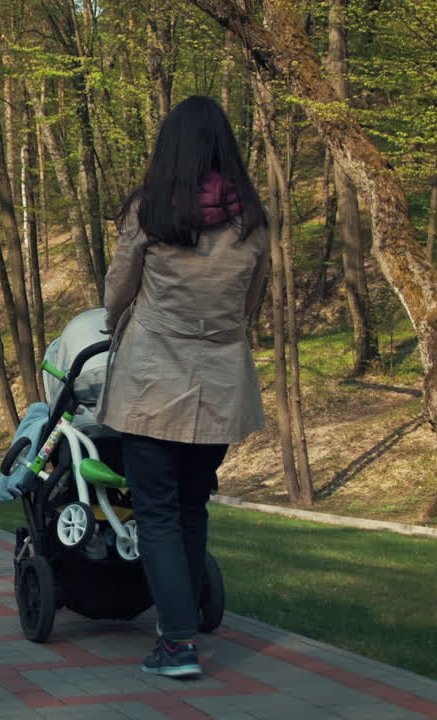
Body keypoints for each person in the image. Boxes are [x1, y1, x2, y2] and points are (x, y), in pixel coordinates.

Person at [96, 95, 268, 680]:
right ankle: (184, 624)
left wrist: (114, 320)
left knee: (159, 511)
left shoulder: (152, 212)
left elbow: (117, 292)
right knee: (193, 506)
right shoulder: (251, 222)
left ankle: (176, 644)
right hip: (219, 382)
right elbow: (251, 305)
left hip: (152, 381)